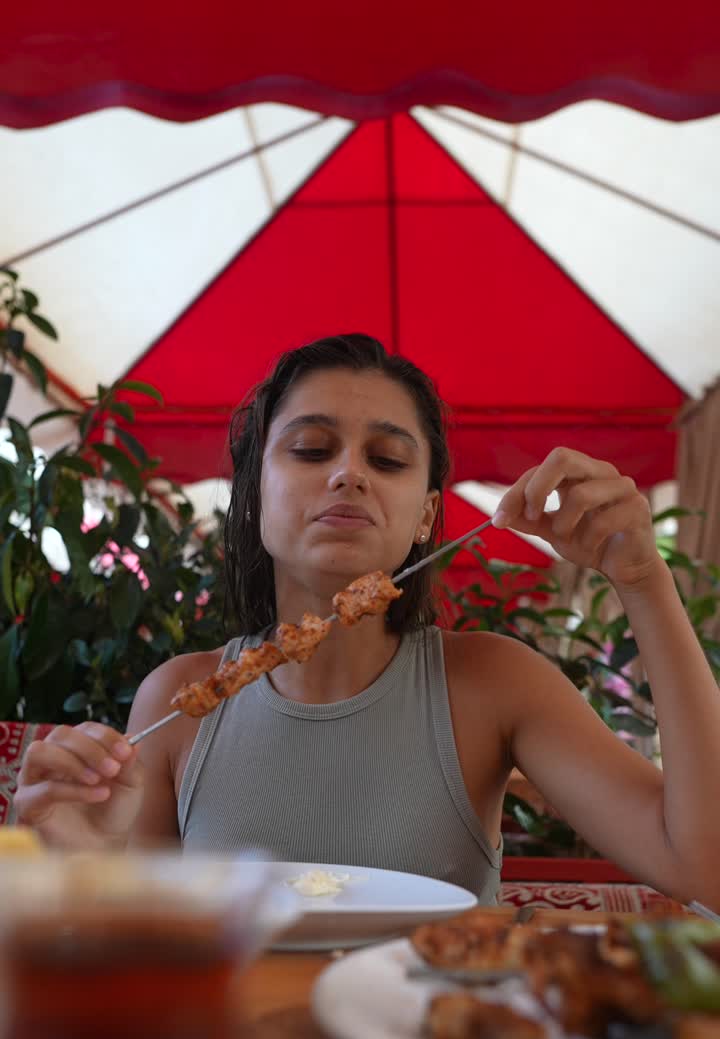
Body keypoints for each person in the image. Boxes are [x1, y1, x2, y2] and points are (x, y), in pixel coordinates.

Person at [14, 335, 720, 908]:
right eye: (311, 449)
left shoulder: (496, 683)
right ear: (254, 492)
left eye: (386, 459)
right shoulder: (178, 701)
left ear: (426, 518)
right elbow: (151, 967)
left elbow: (702, 865)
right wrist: (87, 870)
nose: (348, 473)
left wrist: (644, 581)